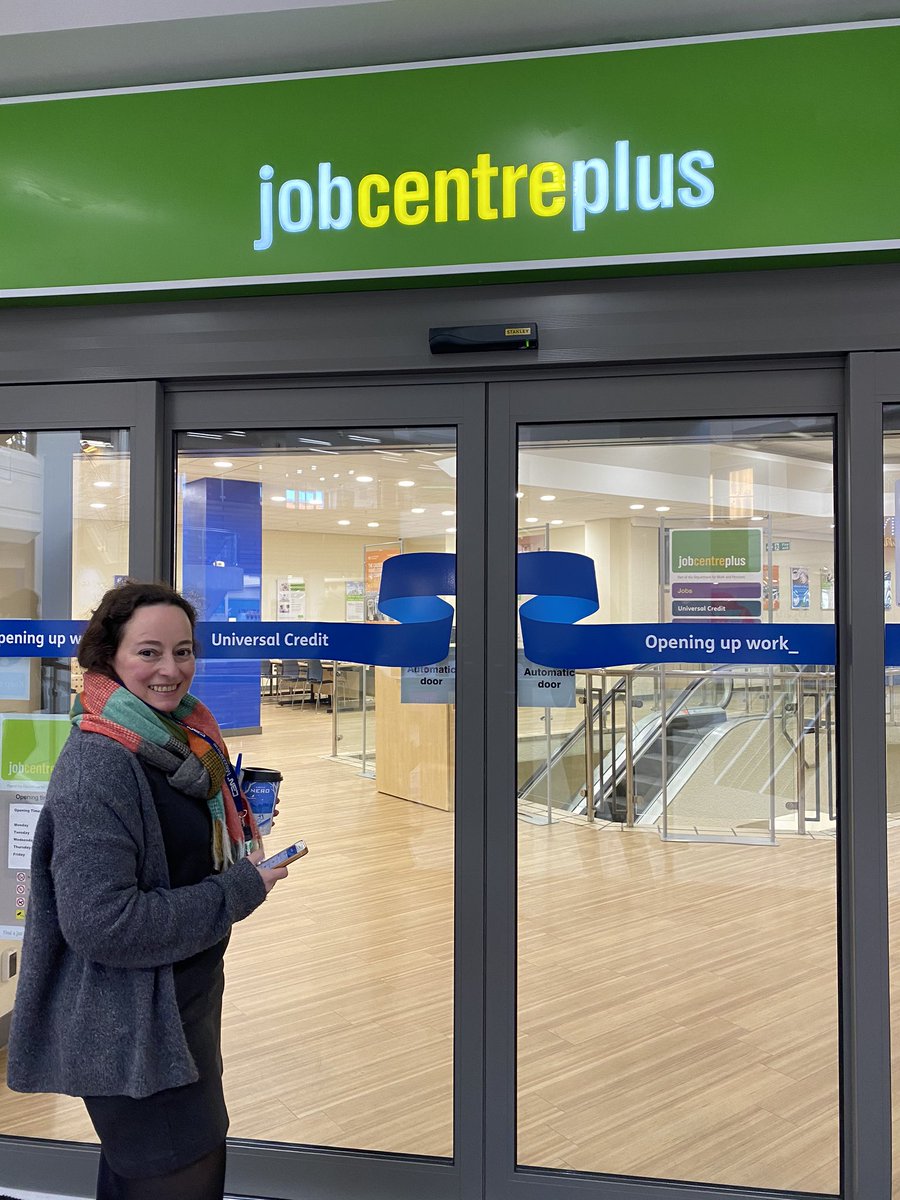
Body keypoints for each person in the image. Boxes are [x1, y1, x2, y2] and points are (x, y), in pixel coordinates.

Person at [7, 581, 290, 1199]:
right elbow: (104, 925)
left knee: (139, 1177)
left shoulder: (175, 741)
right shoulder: (100, 764)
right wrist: (238, 889)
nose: (171, 669)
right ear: (108, 657)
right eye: (149, 652)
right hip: (134, 1032)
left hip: (178, 1011)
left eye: (183, 651)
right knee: (177, 1171)